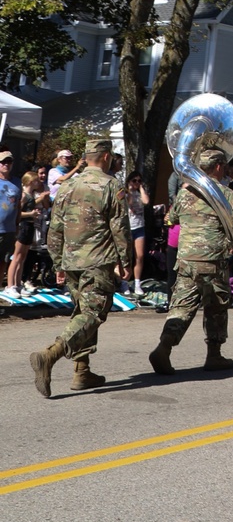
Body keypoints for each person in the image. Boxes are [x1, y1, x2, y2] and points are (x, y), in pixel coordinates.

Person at [29, 135, 130, 397]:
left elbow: (55, 228)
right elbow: (119, 229)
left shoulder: (67, 186)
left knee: (83, 312)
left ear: (86, 158)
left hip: (72, 261)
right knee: (93, 314)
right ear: (106, 157)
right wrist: (126, 261)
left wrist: (58, 262)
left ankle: (82, 371)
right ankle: (50, 355)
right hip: (98, 260)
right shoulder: (112, 185)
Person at [149, 146, 233, 375]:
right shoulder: (229, 196)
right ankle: (214, 354)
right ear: (217, 167)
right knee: (216, 307)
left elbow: (171, 219)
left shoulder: (185, 194)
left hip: (186, 259)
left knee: (182, 306)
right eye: (222, 165)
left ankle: (164, 347)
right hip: (213, 260)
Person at [7, 172, 43, 297]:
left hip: (30, 226)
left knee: (23, 257)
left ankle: (18, 283)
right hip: (23, 226)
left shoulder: (31, 195)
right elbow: (18, 212)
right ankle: (10, 285)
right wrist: (30, 214)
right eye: (36, 180)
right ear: (30, 181)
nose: (38, 182)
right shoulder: (23, 195)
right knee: (16, 257)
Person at [124, 172, 150, 296]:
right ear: (129, 181)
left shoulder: (140, 194)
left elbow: (146, 201)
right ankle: (124, 282)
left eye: (139, 181)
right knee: (127, 256)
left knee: (139, 256)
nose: (136, 183)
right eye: (134, 181)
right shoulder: (125, 193)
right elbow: (128, 203)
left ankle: (137, 282)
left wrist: (141, 188)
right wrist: (129, 190)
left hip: (139, 227)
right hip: (128, 227)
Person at [0, 152, 20, 289]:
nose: (6, 164)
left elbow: (18, 206)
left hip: (9, 230)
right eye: (3, 162)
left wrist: (17, 225)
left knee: (2, 263)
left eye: (9, 162)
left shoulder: (17, 182)